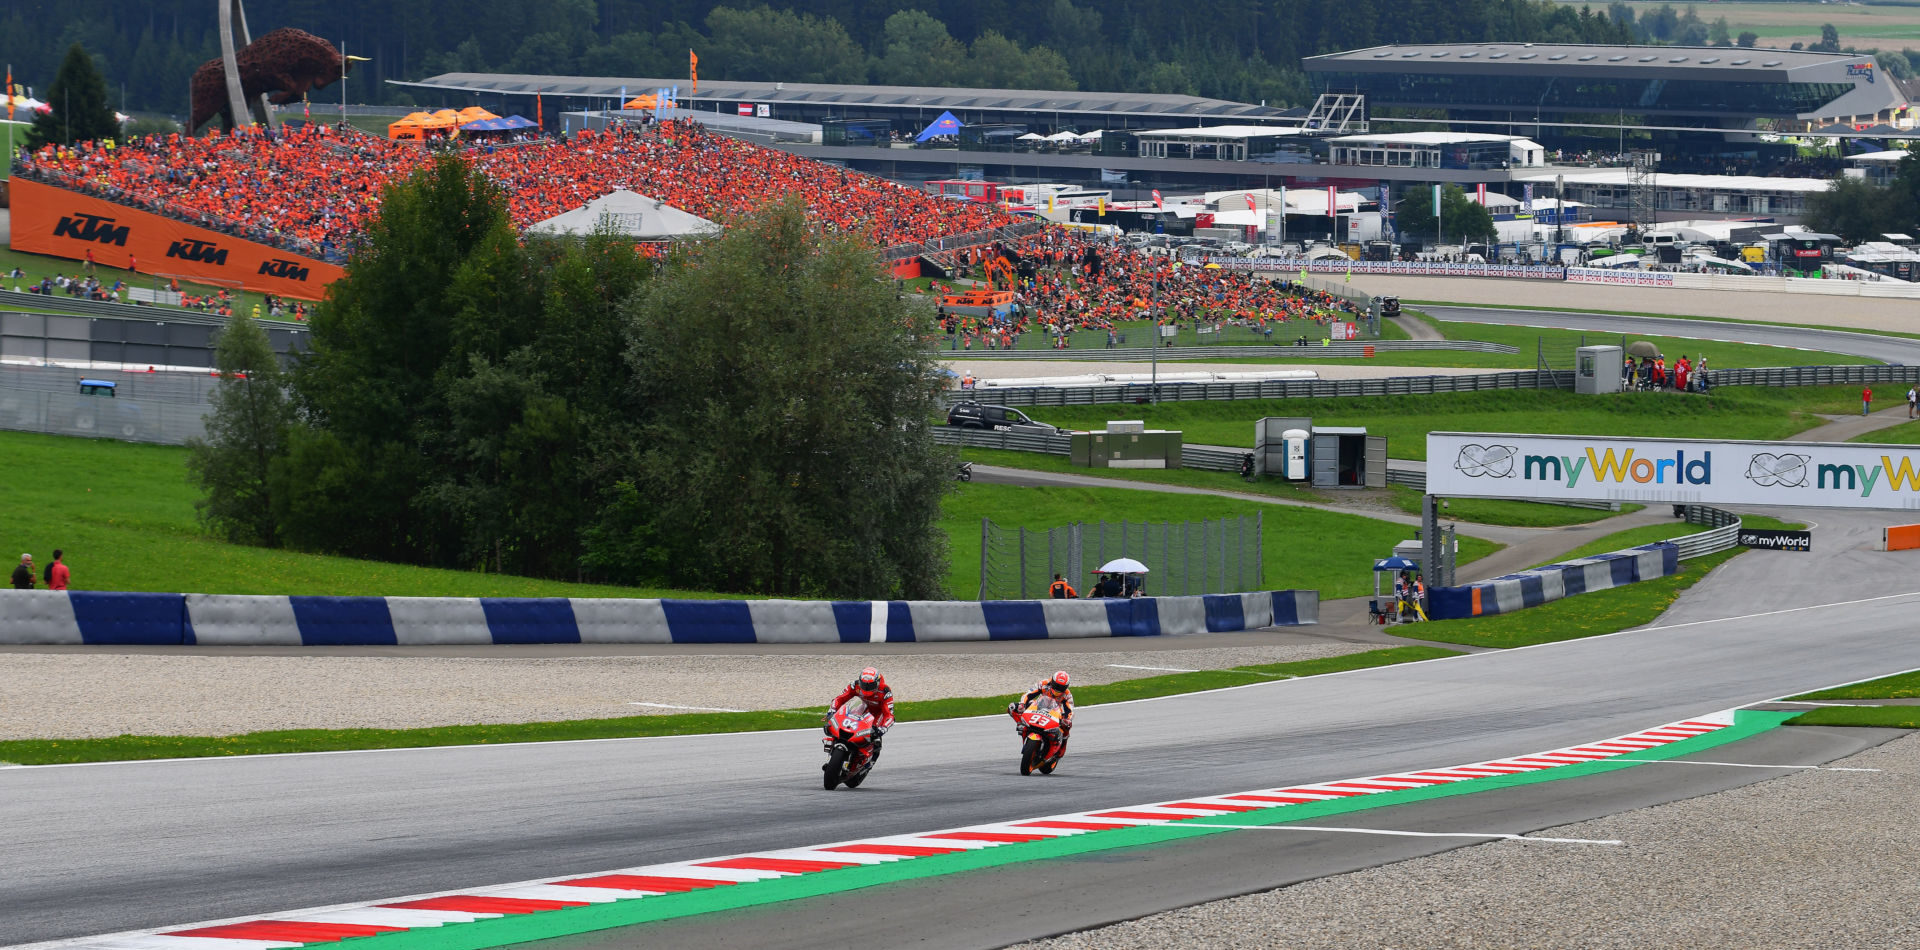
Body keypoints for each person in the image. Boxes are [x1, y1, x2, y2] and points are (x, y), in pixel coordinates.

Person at [828, 667, 896, 761]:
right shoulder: (854, 685)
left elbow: (889, 715)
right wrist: (832, 710)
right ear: (860, 681)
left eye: (870, 686)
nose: (866, 688)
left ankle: (869, 762)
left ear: (877, 683)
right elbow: (839, 699)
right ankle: (835, 745)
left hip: (877, 714)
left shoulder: (885, 691)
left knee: (875, 739)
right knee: (843, 723)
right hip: (861, 707)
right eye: (864, 685)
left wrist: (883, 728)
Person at [1008, 670, 1075, 751]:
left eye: (1061, 688)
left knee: (1067, 725)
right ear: (1052, 681)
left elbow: (1070, 710)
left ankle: (1063, 744)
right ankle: (1021, 724)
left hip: (1056, 713)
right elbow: (1029, 694)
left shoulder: (1067, 695)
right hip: (1039, 707)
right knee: (1012, 707)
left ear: (1066, 687)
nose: (1058, 689)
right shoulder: (1043, 684)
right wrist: (1022, 704)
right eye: (1056, 685)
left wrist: (1067, 719)